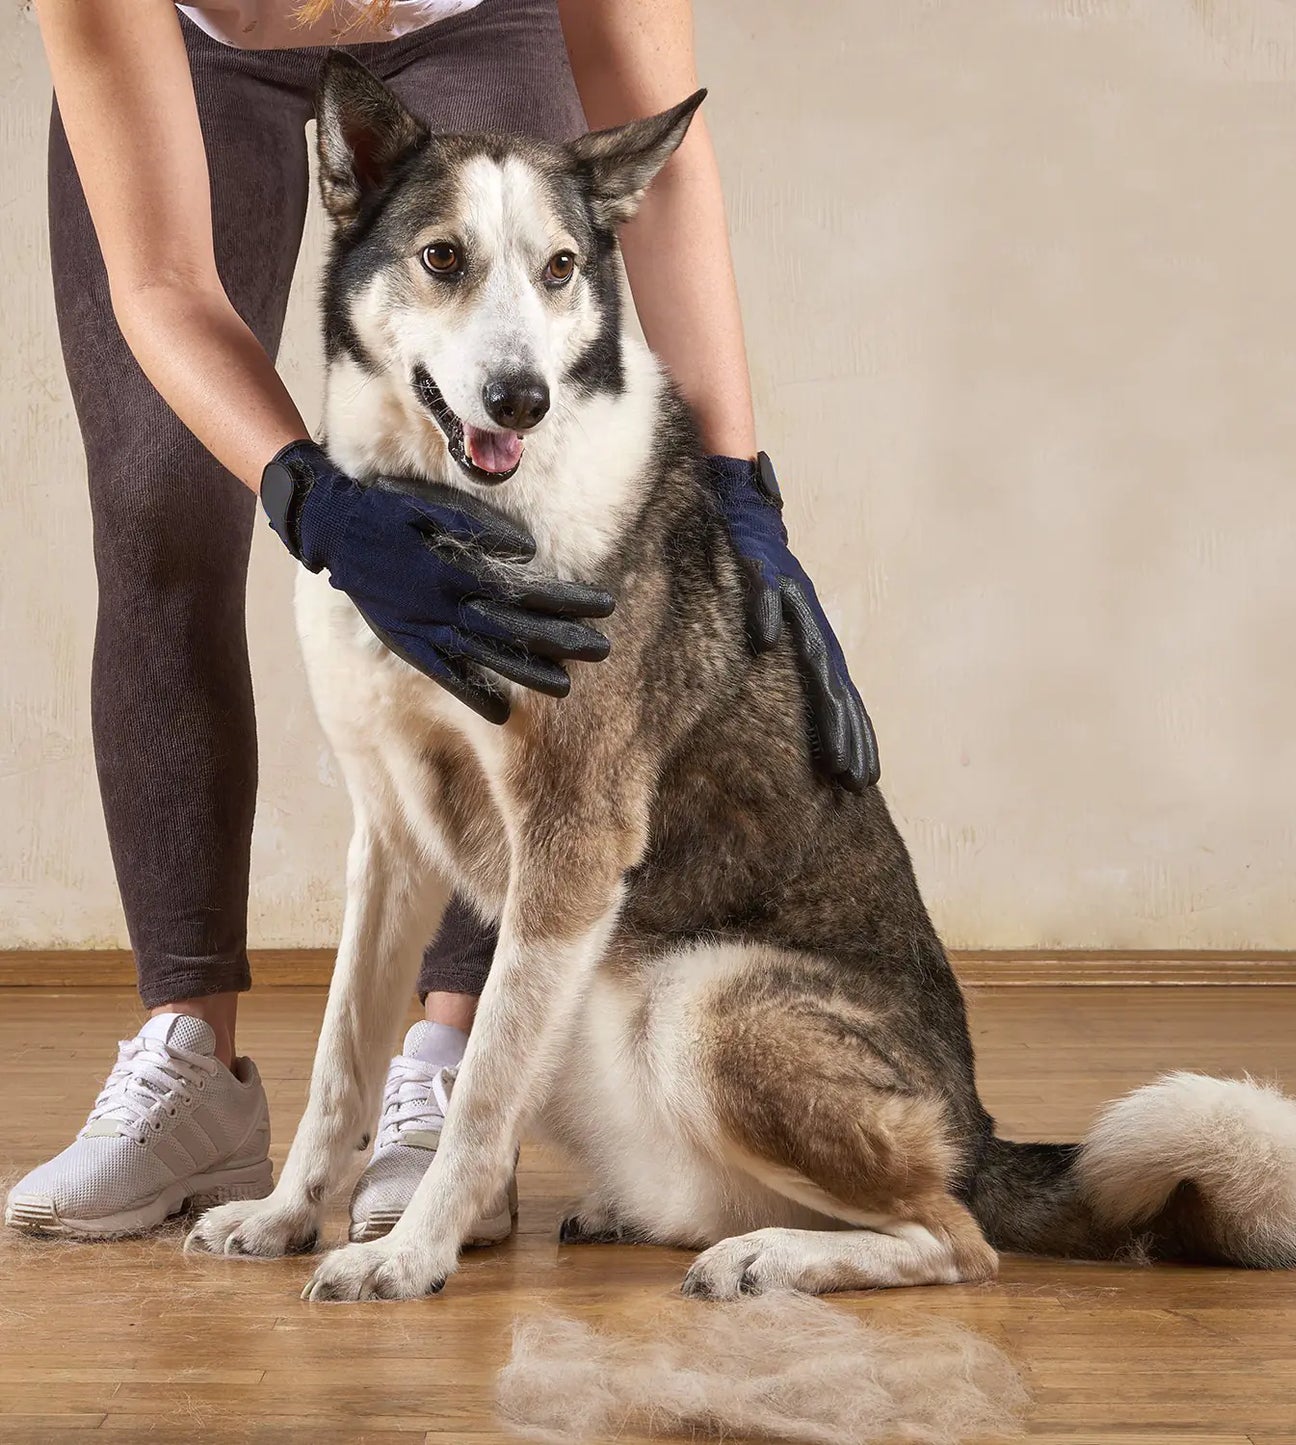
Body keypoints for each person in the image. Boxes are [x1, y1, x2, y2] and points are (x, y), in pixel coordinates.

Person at [5, 0, 877, 1242]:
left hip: (486, 27)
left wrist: (740, 488)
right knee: (154, 500)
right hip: (191, 71)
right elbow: (158, 282)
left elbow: (662, 168)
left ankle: (446, 1059)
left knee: (502, 512)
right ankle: (186, 1053)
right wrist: (308, 495)